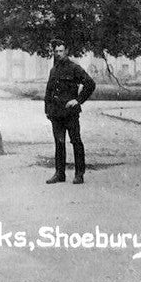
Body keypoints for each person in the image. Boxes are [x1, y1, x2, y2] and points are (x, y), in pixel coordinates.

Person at [44, 39, 95, 185]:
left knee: (76, 142)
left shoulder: (74, 68)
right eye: (56, 51)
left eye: (61, 51)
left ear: (66, 51)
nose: (58, 54)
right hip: (56, 114)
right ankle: (59, 174)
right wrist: (47, 110)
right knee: (59, 143)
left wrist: (78, 100)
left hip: (70, 113)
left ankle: (79, 174)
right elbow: (48, 92)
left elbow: (90, 84)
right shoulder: (53, 70)